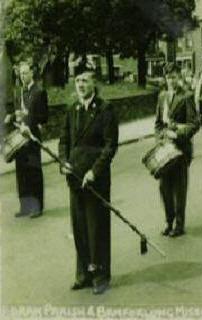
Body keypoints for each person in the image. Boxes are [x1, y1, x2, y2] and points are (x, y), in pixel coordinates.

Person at [59, 63, 119, 294]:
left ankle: (100, 275)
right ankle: (83, 273)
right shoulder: (72, 109)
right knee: (80, 227)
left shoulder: (105, 109)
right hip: (74, 179)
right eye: (77, 81)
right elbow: (64, 139)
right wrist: (63, 161)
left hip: (96, 179)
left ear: (94, 82)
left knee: (97, 229)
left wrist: (94, 171)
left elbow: (110, 146)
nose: (81, 85)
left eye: (85, 80)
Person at [155, 63, 199, 237]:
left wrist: (178, 134)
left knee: (179, 189)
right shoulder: (162, 96)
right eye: (168, 77)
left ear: (179, 77)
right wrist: (160, 137)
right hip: (165, 150)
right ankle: (168, 221)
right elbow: (158, 123)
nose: (171, 80)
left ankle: (179, 225)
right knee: (164, 188)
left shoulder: (187, 96)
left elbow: (194, 124)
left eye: (173, 77)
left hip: (180, 150)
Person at [4, 61, 48, 218]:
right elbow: (16, 110)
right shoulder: (19, 92)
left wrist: (28, 116)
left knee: (34, 172)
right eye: (21, 74)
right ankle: (25, 207)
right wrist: (13, 115)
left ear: (32, 73)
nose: (23, 76)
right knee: (21, 173)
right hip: (19, 138)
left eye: (25, 73)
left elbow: (44, 117)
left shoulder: (39, 91)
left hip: (32, 136)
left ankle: (37, 207)